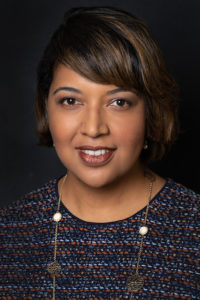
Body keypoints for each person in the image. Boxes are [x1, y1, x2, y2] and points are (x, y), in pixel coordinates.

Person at [0, 6, 199, 299]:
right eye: (70, 100)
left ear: (150, 112)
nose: (93, 129)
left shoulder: (192, 227)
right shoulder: (10, 234)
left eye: (118, 102)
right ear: (46, 108)